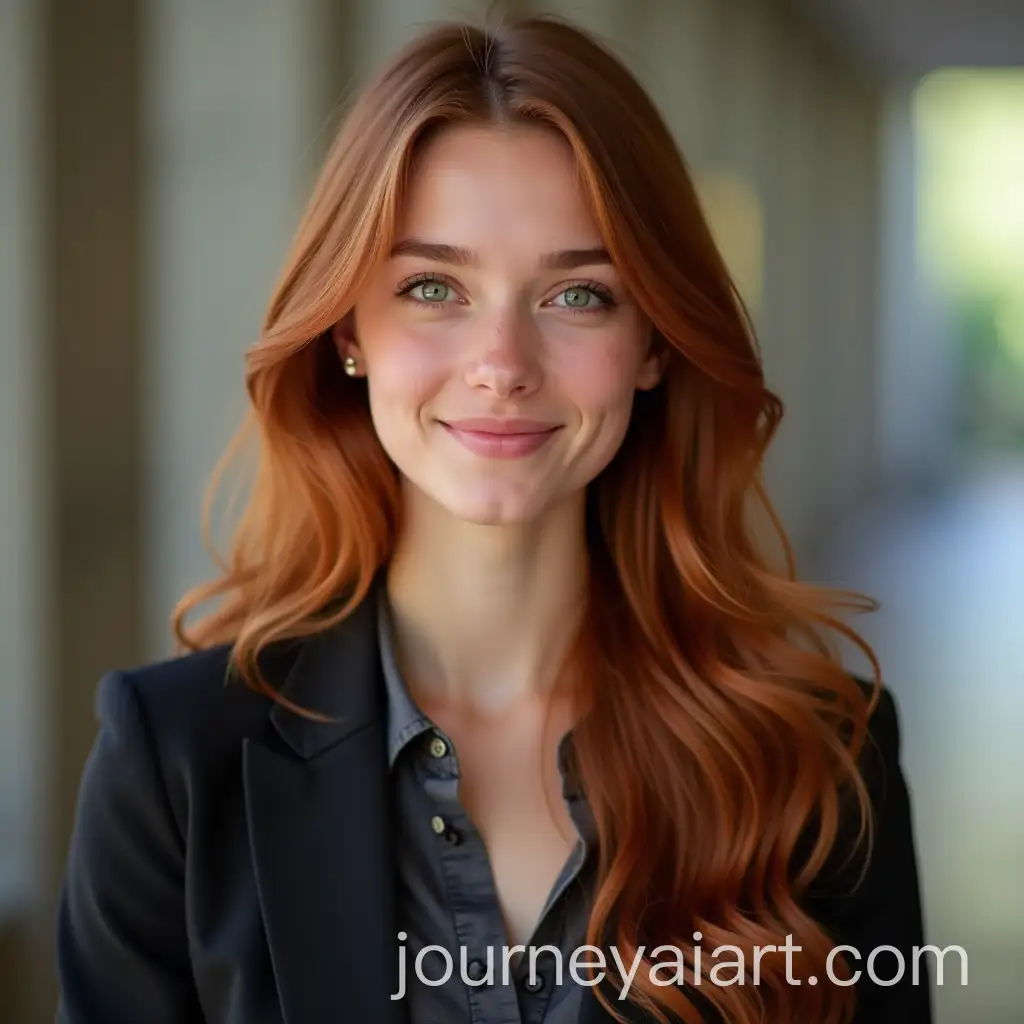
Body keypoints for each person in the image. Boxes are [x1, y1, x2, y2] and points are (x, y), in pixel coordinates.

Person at [55, 13, 932, 1024]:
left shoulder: (821, 758)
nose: (502, 363)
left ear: (654, 342)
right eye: (434, 287)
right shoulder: (174, 762)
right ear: (348, 331)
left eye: (578, 294)